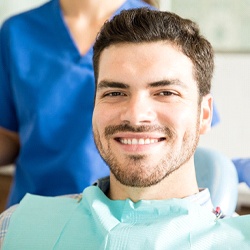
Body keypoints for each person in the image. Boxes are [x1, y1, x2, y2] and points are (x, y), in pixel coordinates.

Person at [1, 8, 250, 249]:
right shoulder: (16, 228)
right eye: (115, 92)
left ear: (204, 114)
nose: (135, 115)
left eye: (166, 92)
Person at [0, 0, 158, 207]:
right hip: (36, 208)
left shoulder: (154, 28)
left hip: (123, 211)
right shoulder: (17, 32)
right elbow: (11, 136)